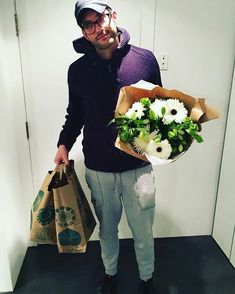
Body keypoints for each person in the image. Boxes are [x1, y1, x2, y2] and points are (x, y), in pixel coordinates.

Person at [54, 1, 162, 293]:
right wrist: (64, 143)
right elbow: (75, 113)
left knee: (143, 231)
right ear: (84, 32)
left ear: (112, 16)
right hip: (99, 167)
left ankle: (147, 279)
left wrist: (164, 140)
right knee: (107, 230)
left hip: (139, 166)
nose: (97, 27)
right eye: (88, 24)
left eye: (99, 18)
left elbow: (161, 108)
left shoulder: (145, 60)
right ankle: (110, 274)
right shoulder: (77, 71)